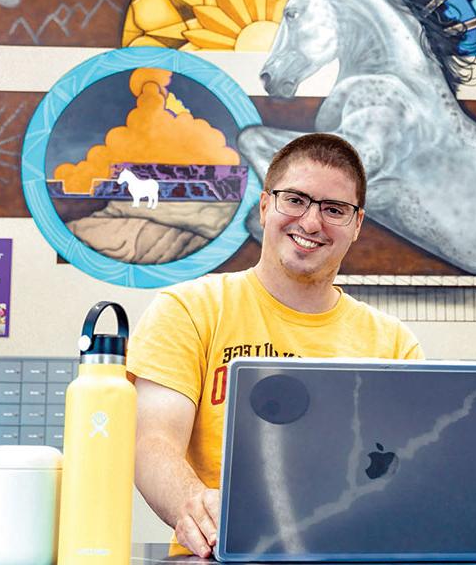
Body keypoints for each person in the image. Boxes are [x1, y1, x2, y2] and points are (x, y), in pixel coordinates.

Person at [127, 133, 424, 557]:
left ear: (357, 225)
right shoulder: (190, 309)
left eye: (334, 209)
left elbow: (410, 475)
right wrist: (193, 504)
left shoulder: (394, 344)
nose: (310, 223)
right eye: (296, 199)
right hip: (220, 554)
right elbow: (150, 442)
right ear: (266, 206)